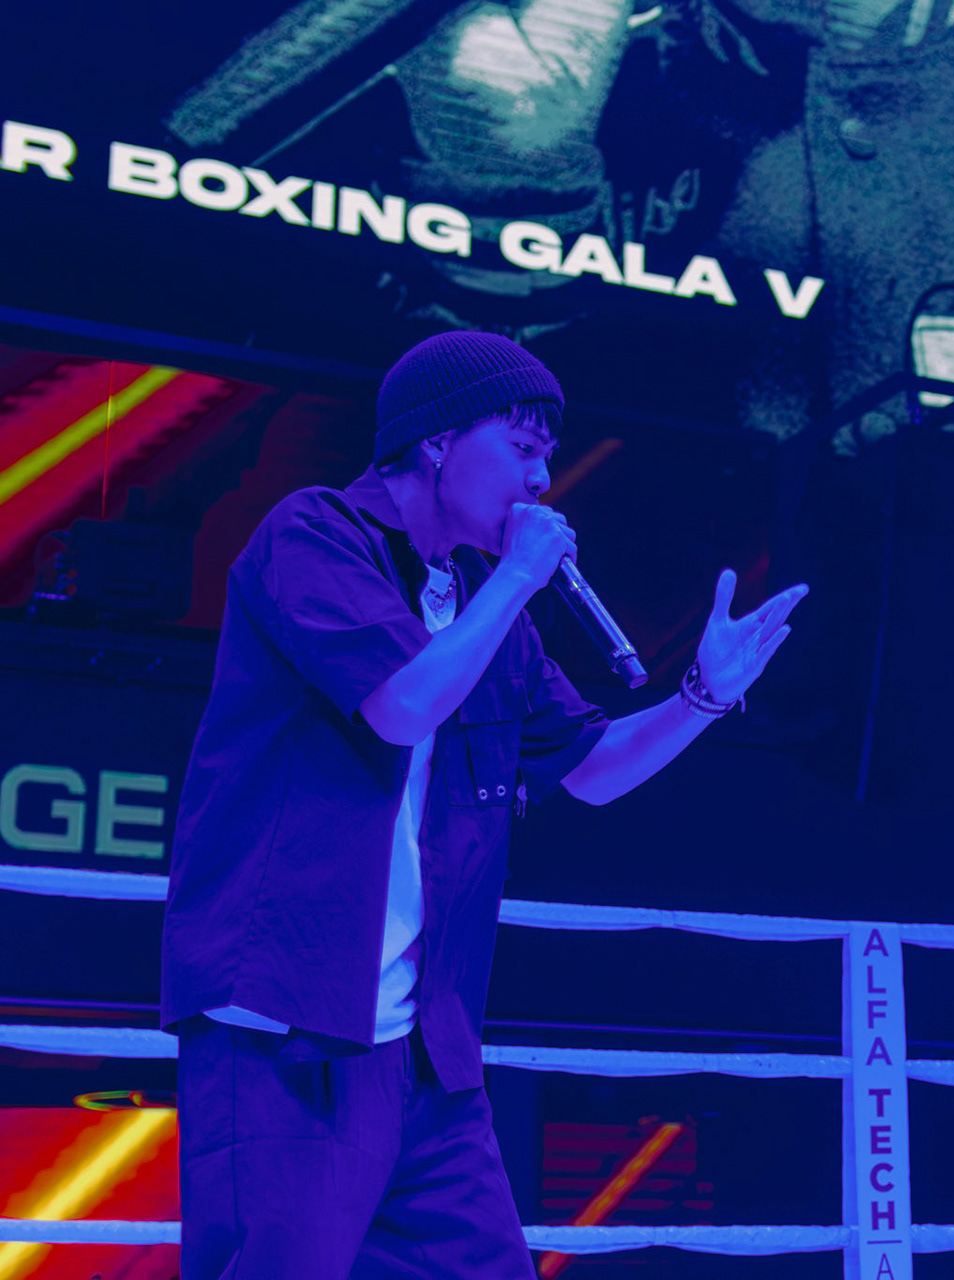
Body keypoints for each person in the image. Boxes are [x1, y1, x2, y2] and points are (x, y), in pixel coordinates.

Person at [160, 330, 807, 1279]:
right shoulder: (315, 534)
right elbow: (400, 706)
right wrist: (516, 579)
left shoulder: (480, 604)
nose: (542, 478)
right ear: (436, 440)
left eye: (547, 454)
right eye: (523, 447)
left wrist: (700, 698)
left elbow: (593, 769)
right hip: (287, 1024)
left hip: (426, 1050)